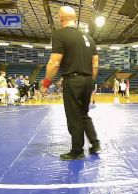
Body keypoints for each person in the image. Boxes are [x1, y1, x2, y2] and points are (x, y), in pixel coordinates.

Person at [40, 6, 100, 160]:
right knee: (83, 114)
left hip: (73, 81)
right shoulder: (89, 38)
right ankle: (95, 143)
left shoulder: (60, 35)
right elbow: (95, 64)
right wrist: (90, 82)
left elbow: (54, 62)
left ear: (60, 18)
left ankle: (77, 150)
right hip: (88, 80)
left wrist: (46, 84)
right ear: (74, 18)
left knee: (74, 116)